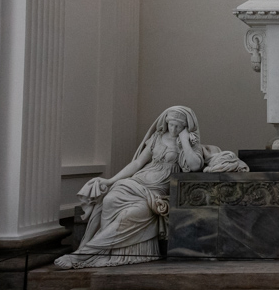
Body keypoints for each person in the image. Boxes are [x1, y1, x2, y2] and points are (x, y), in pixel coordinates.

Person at [55, 106, 204, 269]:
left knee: (129, 215)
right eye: (171, 125)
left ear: (186, 126)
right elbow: (138, 163)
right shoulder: (157, 138)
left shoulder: (189, 142)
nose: (174, 129)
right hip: (135, 183)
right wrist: (111, 181)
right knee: (109, 199)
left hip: (155, 192)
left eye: (179, 126)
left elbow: (195, 165)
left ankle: (82, 254)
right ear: (166, 122)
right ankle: (106, 252)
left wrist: (184, 141)